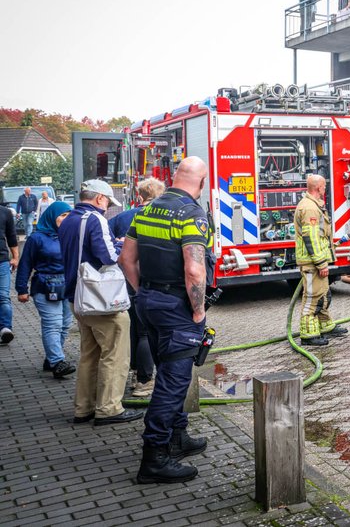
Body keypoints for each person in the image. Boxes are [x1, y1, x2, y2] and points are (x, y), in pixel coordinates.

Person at [117, 157, 211, 483]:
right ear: (201, 182)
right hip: (176, 309)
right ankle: (154, 458)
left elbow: (126, 259)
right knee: (172, 384)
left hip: (147, 303)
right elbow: (194, 269)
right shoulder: (192, 214)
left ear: (175, 177)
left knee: (171, 374)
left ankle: (177, 437)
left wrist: (143, 290)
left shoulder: (145, 210)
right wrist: (198, 311)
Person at [59, 179, 141, 426]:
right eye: (107, 202)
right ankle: (109, 408)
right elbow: (108, 256)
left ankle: (84, 407)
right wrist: (123, 248)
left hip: (77, 297)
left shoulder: (68, 220)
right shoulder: (95, 219)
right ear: (99, 198)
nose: (107, 207)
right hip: (99, 300)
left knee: (89, 354)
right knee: (115, 354)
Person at [111, 178, 167, 398]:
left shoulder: (122, 218)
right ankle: (145, 380)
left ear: (140, 196)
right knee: (146, 332)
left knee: (134, 328)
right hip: (152, 281)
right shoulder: (163, 217)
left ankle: (134, 373)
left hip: (127, 282)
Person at [15, 201, 75, 377]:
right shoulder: (37, 238)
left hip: (67, 287)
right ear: (51, 216)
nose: (66, 219)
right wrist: (21, 289)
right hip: (45, 287)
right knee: (53, 324)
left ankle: (51, 359)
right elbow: (25, 264)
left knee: (65, 325)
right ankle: (57, 362)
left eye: (69, 215)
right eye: (63, 215)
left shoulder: (71, 236)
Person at [294, 174, 347, 347]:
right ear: (318, 188)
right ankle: (308, 335)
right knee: (312, 297)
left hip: (317, 260)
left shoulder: (314, 205)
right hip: (312, 263)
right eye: (324, 186)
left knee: (323, 295)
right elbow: (312, 238)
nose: (325, 189)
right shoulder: (309, 208)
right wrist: (321, 263)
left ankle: (325, 326)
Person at [0, 197, 18, 345]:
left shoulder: (5, 213)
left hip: (2, 261)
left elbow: (12, 236)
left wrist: (15, 257)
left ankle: (5, 328)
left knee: (3, 296)